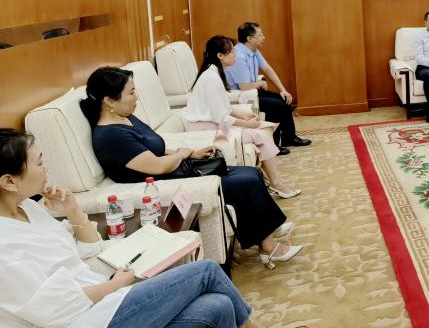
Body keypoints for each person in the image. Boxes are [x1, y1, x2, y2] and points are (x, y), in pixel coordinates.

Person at [0, 129, 309, 328]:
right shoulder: (4, 246)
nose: (46, 167)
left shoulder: (29, 209)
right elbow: (50, 308)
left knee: (218, 306)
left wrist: (72, 209)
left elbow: (89, 250)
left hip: (101, 309)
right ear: (9, 181)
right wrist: (114, 285)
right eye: (38, 162)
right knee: (205, 272)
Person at [83, 67, 303, 269]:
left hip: (178, 169)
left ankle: (266, 234)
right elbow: (157, 166)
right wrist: (182, 153)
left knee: (251, 173)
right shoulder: (111, 136)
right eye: (131, 93)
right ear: (109, 100)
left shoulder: (126, 118)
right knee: (245, 182)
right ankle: (268, 246)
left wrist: (191, 153)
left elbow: (155, 149)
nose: (136, 97)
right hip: (166, 182)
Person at [187, 36, 300, 199]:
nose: (236, 55)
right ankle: (277, 184)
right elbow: (221, 118)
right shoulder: (211, 78)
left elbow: (223, 106)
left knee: (266, 127)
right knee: (261, 133)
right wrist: (248, 124)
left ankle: (268, 180)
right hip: (210, 131)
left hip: (216, 126)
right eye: (232, 52)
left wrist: (244, 115)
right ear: (220, 56)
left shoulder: (214, 73)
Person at [224, 22, 311, 151]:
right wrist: (261, 83)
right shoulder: (239, 56)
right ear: (250, 39)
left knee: (283, 99)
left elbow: (267, 69)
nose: (264, 37)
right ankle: (272, 145)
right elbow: (244, 87)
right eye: (260, 35)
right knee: (275, 105)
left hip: (253, 91)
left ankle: (289, 137)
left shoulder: (253, 51)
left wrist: (283, 90)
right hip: (242, 96)